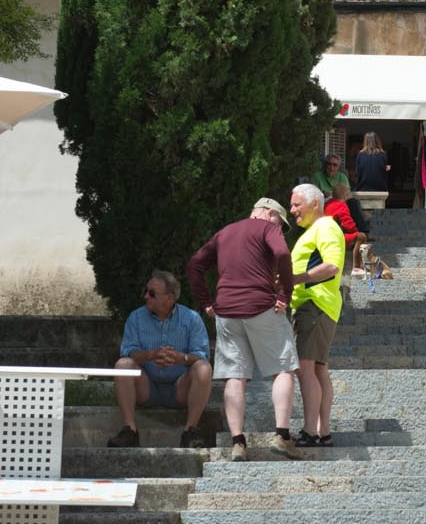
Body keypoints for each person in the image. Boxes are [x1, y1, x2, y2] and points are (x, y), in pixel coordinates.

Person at [186, 198, 299, 462]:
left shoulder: (225, 232)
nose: (279, 229)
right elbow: (282, 254)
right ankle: (282, 436)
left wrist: (206, 302)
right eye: (279, 223)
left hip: (226, 311)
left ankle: (238, 443)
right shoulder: (267, 228)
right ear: (269, 214)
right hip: (261, 306)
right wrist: (285, 292)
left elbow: (195, 265)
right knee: (283, 367)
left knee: (235, 376)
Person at [109, 270, 214, 449]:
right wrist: (150, 355)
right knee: (123, 365)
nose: (145, 296)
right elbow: (127, 351)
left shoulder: (192, 319)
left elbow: (202, 354)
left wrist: (182, 358)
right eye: (146, 291)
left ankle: (190, 431)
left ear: (169, 298)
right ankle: (130, 430)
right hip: (146, 387)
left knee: (203, 368)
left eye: (151, 293)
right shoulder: (136, 317)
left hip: (180, 388)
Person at [288, 184, 346, 448]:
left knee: (306, 368)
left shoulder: (325, 228)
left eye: (296, 204)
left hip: (315, 305)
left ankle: (311, 430)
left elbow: (332, 265)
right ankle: (323, 431)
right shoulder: (318, 229)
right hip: (319, 305)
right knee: (319, 369)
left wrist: (297, 278)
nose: (292, 211)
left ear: (314, 204)